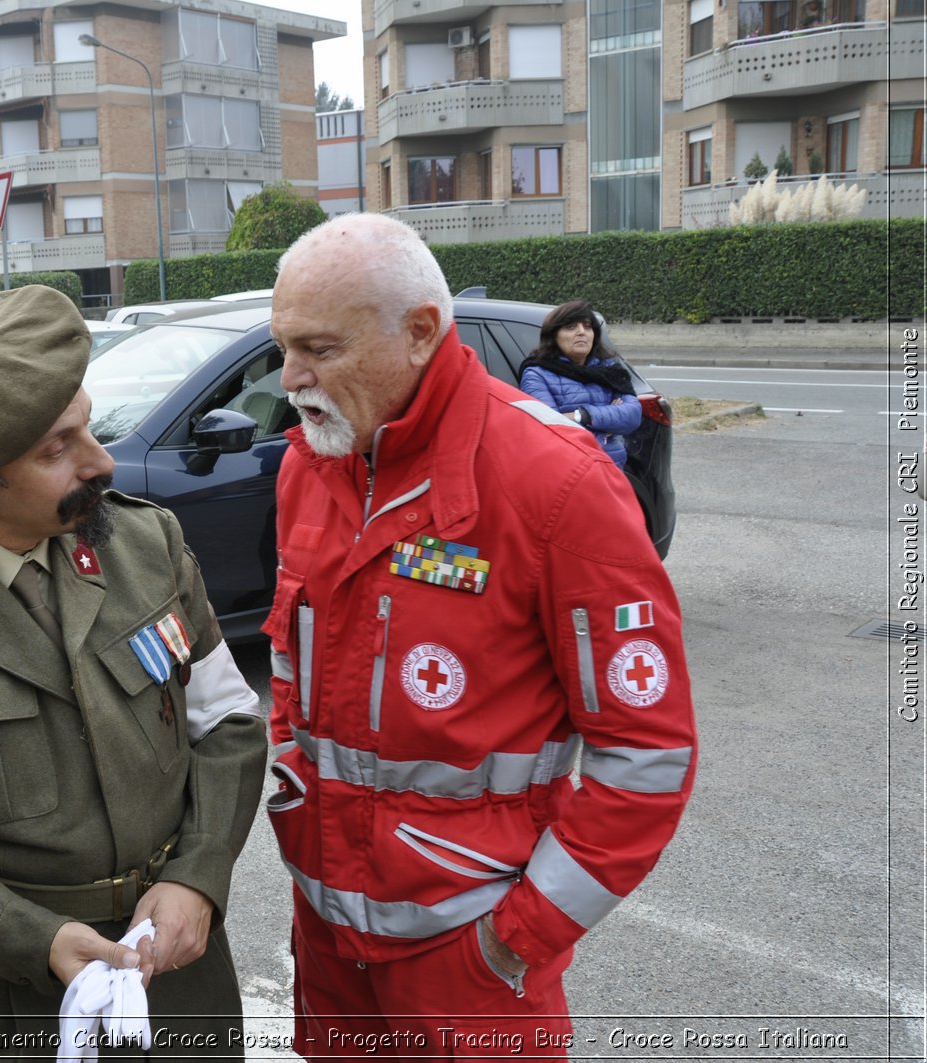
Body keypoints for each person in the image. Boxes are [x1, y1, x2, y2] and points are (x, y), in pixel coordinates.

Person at [264, 214, 697, 1060]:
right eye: (284, 347)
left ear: (422, 332)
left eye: (319, 348)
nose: (291, 377)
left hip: (471, 959)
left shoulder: (558, 484)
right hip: (326, 941)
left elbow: (646, 756)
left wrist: (519, 935)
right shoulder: (310, 464)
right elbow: (290, 669)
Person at [0, 284, 268, 1058]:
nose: (99, 461)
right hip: (12, 1009)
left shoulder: (145, 543)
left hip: (182, 984)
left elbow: (226, 717)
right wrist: (28, 936)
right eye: (56, 449)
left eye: (87, 426)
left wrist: (199, 874)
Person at [517, 300, 644, 468]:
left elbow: (633, 415)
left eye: (587, 327)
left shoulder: (610, 370)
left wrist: (583, 416)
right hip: (571, 473)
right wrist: (607, 425)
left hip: (612, 471)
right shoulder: (536, 373)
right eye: (571, 327)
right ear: (554, 336)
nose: (581, 332)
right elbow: (551, 430)